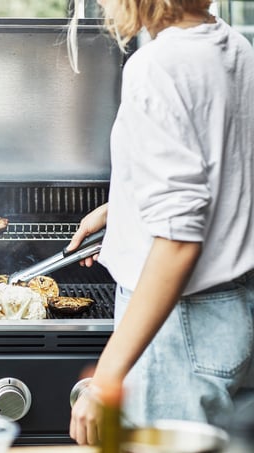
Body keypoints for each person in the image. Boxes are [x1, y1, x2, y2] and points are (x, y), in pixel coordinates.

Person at [66, 0, 254, 446]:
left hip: (178, 328)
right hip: (228, 314)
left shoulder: (157, 66)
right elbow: (223, 166)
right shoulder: (236, 49)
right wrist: (124, 207)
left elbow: (178, 242)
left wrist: (106, 378)